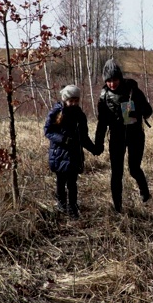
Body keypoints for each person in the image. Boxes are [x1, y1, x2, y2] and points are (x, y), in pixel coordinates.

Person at [94, 58, 153, 213]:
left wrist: (136, 109)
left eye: (115, 80)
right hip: (116, 138)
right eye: (109, 81)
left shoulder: (133, 90)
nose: (112, 84)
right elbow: (102, 123)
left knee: (134, 169)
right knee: (116, 173)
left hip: (135, 136)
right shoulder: (104, 97)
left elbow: (148, 111)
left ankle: (145, 192)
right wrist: (98, 144)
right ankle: (117, 208)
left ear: (119, 77)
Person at [44, 84, 99, 220]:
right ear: (64, 99)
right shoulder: (56, 112)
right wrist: (63, 139)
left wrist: (94, 149)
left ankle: (73, 208)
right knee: (60, 181)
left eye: (76, 100)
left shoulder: (80, 115)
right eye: (71, 100)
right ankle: (61, 205)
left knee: (72, 182)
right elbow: (48, 131)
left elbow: (83, 137)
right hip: (59, 154)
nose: (73, 103)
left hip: (74, 154)